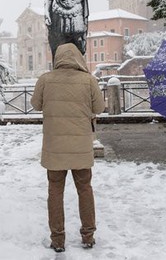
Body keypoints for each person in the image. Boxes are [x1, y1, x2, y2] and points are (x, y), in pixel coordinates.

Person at [30, 43, 105, 253]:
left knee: (55, 191)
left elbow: (36, 104)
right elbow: (100, 107)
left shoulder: (46, 79)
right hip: (81, 146)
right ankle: (88, 236)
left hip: (54, 148)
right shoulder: (89, 80)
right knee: (85, 189)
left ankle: (58, 239)